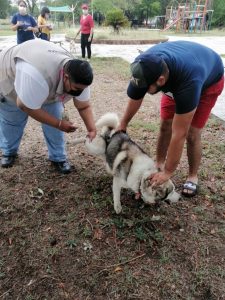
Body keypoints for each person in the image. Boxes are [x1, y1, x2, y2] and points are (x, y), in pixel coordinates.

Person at [119, 41, 224, 197]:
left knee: (192, 133)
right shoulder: (144, 66)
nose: (142, 90)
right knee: (165, 125)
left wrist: (169, 172)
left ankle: (192, 176)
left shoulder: (189, 82)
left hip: (208, 82)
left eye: (145, 87)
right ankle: (159, 164)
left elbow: (179, 133)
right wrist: (123, 124)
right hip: (180, 74)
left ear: (160, 80)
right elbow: (136, 97)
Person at [0, 39, 96, 174]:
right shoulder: (36, 74)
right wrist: (59, 124)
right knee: (12, 118)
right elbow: (25, 106)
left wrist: (91, 129)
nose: (78, 92)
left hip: (43, 76)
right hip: (10, 74)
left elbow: (84, 106)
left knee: (55, 112)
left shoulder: (79, 76)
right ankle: (9, 152)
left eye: (82, 89)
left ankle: (58, 157)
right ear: (66, 77)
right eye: (76, 89)